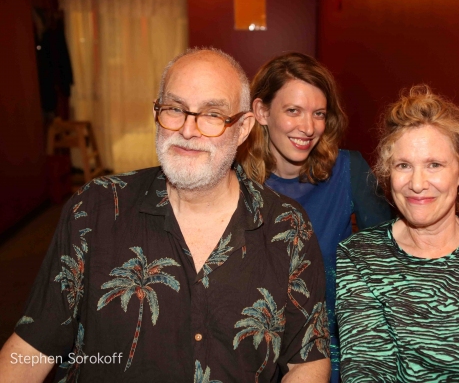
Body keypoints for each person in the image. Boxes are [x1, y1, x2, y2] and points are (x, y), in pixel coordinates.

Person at [0, 48, 330, 382]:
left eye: (212, 114)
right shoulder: (94, 208)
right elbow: (30, 348)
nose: (188, 130)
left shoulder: (287, 226)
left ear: (244, 128)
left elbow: (307, 360)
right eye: (174, 109)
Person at [238, 53, 459, 382]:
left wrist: (445, 231)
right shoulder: (233, 182)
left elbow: (389, 243)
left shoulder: (348, 170)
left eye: (319, 114)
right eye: (293, 111)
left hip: (337, 349)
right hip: (253, 349)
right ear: (262, 111)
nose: (307, 127)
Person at [336, 85, 459, 382]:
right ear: (387, 173)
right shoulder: (361, 256)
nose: (417, 183)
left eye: (434, 165)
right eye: (404, 165)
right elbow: (368, 371)